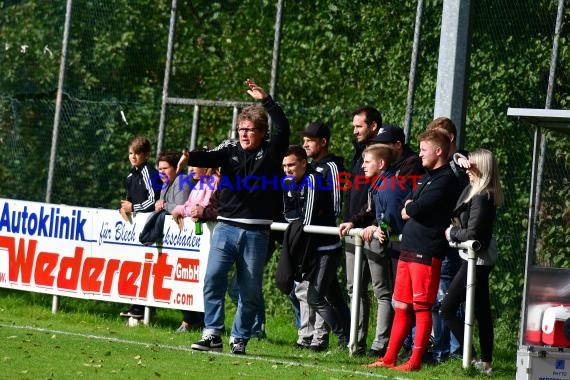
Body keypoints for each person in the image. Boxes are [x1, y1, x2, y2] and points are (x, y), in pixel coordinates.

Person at [186, 79, 289, 355]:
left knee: (250, 288)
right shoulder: (229, 149)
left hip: (256, 232)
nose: (244, 134)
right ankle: (212, 333)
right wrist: (189, 156)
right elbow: (207, 158)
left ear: (262, 132)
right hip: (226, 227)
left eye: (250, 130)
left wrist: (267, 101)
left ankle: (240, 337)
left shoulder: (271, 151)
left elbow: (284, 127)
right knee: (213, 277)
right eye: (241, 129)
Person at [366, 128, 461, 371]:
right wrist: (412, 205)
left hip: (427, 252)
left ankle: (415, 361)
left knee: (421, 307)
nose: (419, 155)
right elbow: (407, 204)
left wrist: (412, 206)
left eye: (423, 150)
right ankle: (389, 357)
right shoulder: (424, 177)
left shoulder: (446, 179)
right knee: (402, 305)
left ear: (438, 151)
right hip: (408, 249)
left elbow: (416, 208)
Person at [339, 143, 410, 357]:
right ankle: (365, 342)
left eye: (367, 162)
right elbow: (371, 210)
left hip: (399, 248)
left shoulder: (389, 186)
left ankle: (381, 345)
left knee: (383, 292)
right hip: (381, 239)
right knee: (368, 290)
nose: (362, 167)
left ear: (381, 164)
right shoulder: (377, 184)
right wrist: (353, 222)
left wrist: (381, 228)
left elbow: (395, 218)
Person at [278, 145, 350, 350]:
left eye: (291, 165)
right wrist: (297, 223)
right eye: (284, 166)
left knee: (315, 297)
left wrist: (297, 223)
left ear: (303, 163)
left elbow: (306, 221)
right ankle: (348, 338)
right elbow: (289, 215)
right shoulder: (288, 181)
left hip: (326, 249)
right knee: (334, 297)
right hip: (311, 249)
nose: (287, 170)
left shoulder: (312, 179)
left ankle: (344, 337)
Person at [439, 148, 503, 376]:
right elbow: (454, 159)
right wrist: (462, 159)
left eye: (471, 166)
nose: (467, 169)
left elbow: (473, 233)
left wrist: (451, 233)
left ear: (481, 168)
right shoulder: (476, 189)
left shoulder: (483, 196)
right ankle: (486, 363)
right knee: (481, 310)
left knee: (446, 309)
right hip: (476, 259)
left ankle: (474, 358)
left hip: (477, 259)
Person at [293, 121, 345, 350]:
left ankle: (329, 338)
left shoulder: (331, 166)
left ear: (323, 142)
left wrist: (315, 219)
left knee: (317, 295)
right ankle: (342, 338)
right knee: (331, 296)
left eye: (310, 140)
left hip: (325, 242)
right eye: (303, 140)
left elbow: (334, 205)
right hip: (310, 244)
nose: (305, 144)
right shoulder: (309, 168)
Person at [425, 117, 469, 363]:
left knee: (448, 296)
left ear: (449, 138)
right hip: (435, 240)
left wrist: (459, 160)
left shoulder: (461, 163)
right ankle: (441, 348)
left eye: (438, 136)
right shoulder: (431, 170)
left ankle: (453, 351)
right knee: (436, 298)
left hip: (454, 241)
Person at [342, 105, 382, 356]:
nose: (354, 131)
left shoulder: (384, 155)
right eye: (354, 126)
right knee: (353, 287)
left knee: (381, 290)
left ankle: (381, 345)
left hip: (373, 231)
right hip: (352, 228)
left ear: (373, 126)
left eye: (359, 126)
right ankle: (355, 342)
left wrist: (370, 223)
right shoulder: (358, 153)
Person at [171, 159, 220, 332]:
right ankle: (192, 320)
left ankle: (205, 322)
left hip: (210, 239)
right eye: (190, 165)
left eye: (194, 165)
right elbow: (190, 205)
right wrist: (179, 210)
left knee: (207, 280)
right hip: (196, 241)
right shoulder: (200, 183)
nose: (191, 169)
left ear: (206, 166)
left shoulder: (214, 181)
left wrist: (192, 211)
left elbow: (204, 207)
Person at [119, 136, 161, 319]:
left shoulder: (150, 172)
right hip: (134, 227)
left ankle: (144, 308)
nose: (133, 157)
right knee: (134, 267)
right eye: (130, 153)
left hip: (149, 225)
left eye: (137, 153)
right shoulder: (130, 176)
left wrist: (134, 208)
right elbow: (127, 199)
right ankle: (136, 306)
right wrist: (122, 208)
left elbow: (153, 200)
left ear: (146, 155)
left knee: (148, 267)